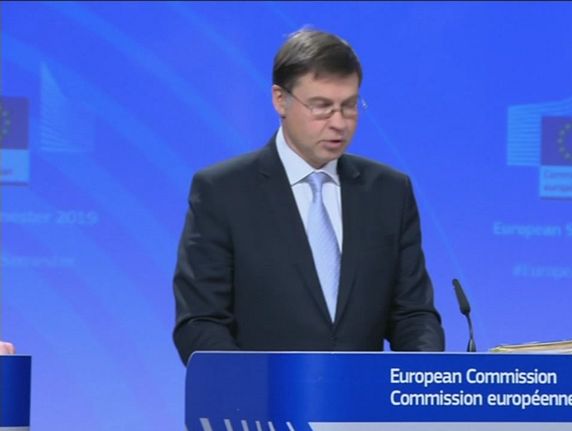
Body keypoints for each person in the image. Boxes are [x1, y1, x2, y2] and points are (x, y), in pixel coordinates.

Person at [173, 29, 444, 365]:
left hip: (362, 397)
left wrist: (420, 377)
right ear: (280, 100)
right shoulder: (223, 191)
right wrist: (254, 386)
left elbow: (413, 315)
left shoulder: (389, 191)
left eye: (349, 106)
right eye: (321, 107)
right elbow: (201, 321)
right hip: (263, 396)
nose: (339, 123)